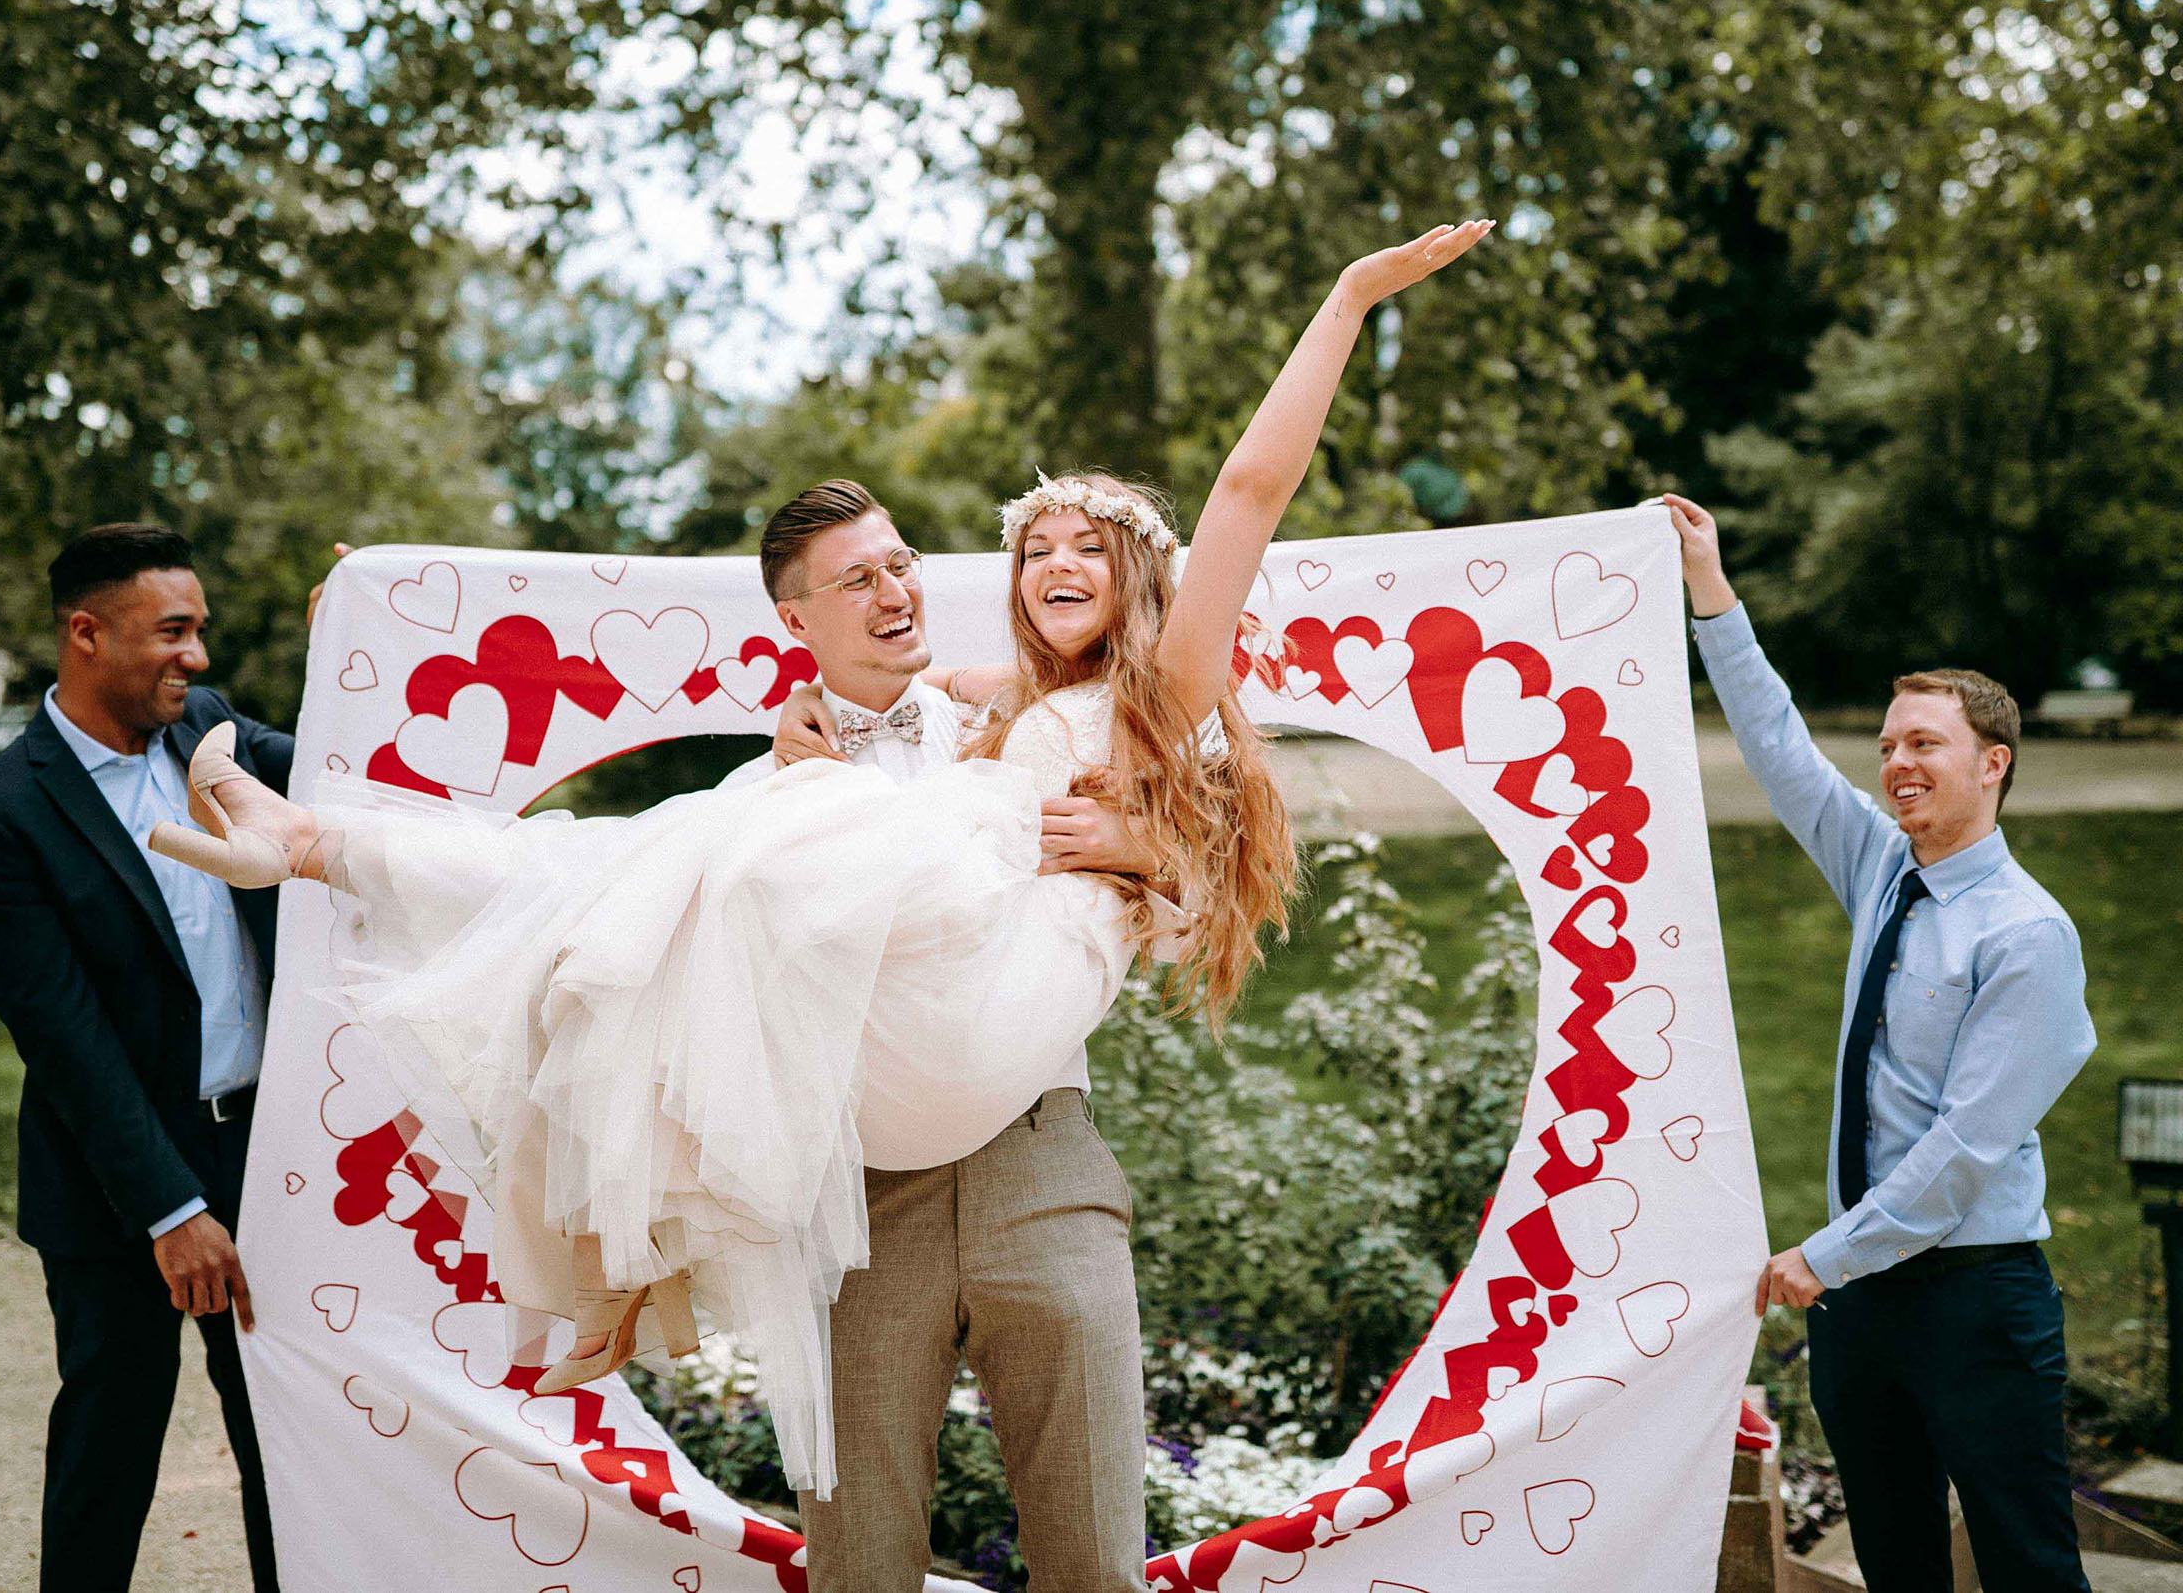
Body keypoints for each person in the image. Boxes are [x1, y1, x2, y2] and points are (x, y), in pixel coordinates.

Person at [150, 219, 1492, 1504]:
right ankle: (323, 853)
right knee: (656, 863)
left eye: (1092, 547)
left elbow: (1249, 493)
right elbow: (885, 728)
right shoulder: (986, 709)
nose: (1057, 561)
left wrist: (1347, 300)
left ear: (1148, 581)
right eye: (1037, 547)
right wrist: (385, 606)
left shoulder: (1156, 697)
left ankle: (343, 877)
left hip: (998, 1041)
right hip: (903, 1068)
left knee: (693, 854)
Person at [738, 479, 1172, 1592]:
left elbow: (1195, 914)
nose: (895, 592)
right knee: (858, 1564)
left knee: (1097, 1558)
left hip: (1042, 1155)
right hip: (862, 1197)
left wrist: (1142, 851)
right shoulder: (761, 793)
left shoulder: (1027, 728)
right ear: (795, 619)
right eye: (857, 579)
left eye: (902, 563)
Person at [1665, 495, 2095, 1592]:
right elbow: (1780, 748)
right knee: (1896, 1570)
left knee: (2031, 1569)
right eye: (1890, 743)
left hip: (1974, 1300)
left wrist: (1822, 1258)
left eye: (1925, 744)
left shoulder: (2027, 935)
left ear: (1992, 763)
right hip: (1863, 1305)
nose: (1898, 762)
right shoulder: (1880, 865)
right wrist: (1710, 589)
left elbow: (1965, 1149)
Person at [0, 524, 288, 1592]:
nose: (197, 656)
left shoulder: (212, 731)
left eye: (200, 631)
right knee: (109, 1448)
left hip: (264, 1152)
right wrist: (171, 1211)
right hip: (113, 1189)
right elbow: (65, 1039)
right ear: (86, 633)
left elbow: (358, 761)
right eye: (172, 631)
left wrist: (361, 624)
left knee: (288, 1448)